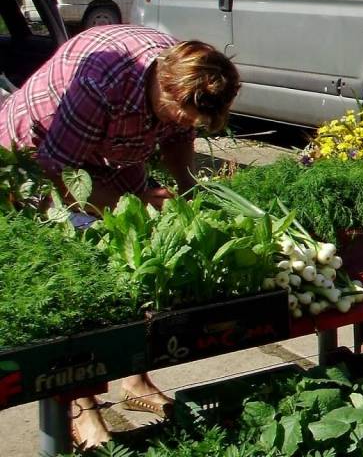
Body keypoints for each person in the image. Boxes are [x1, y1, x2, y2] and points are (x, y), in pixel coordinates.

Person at [0, 24, 241, 447]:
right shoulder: (99, 83)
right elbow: (62, 178)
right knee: (81, 276)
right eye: (182, 114)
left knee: (139, 257)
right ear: (164, 89)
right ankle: (82, 409)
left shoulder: (189, 72)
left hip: (113, 151)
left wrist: (187, 188)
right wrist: (141, 202)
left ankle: (135, 381)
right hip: (41, 153)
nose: (188, 123)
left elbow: (178, 137)